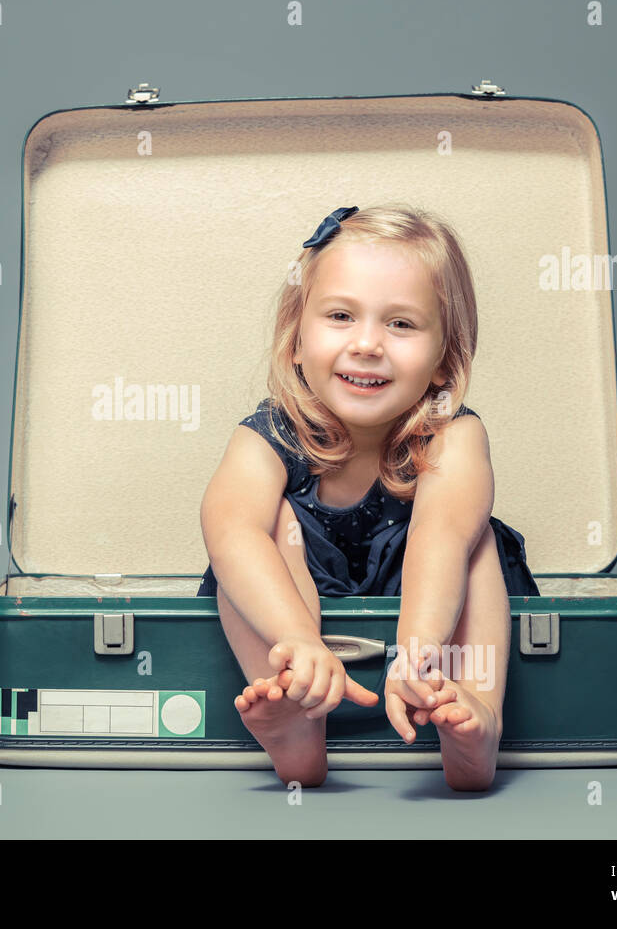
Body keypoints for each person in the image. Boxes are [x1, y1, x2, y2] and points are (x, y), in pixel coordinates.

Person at [196, 203, 540, 791]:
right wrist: (300, 640)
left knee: (475, 540)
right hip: (295, 610)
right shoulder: (270, 434)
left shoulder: (453, 434)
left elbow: (439, 538)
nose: (368, 344)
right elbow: (228, 527)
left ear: (443, 359)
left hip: (430, 603)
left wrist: (418, 651)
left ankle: (479, 716)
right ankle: (296, 716)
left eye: (401, 324)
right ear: (296, 341)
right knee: (258, 533)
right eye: (340, 316)